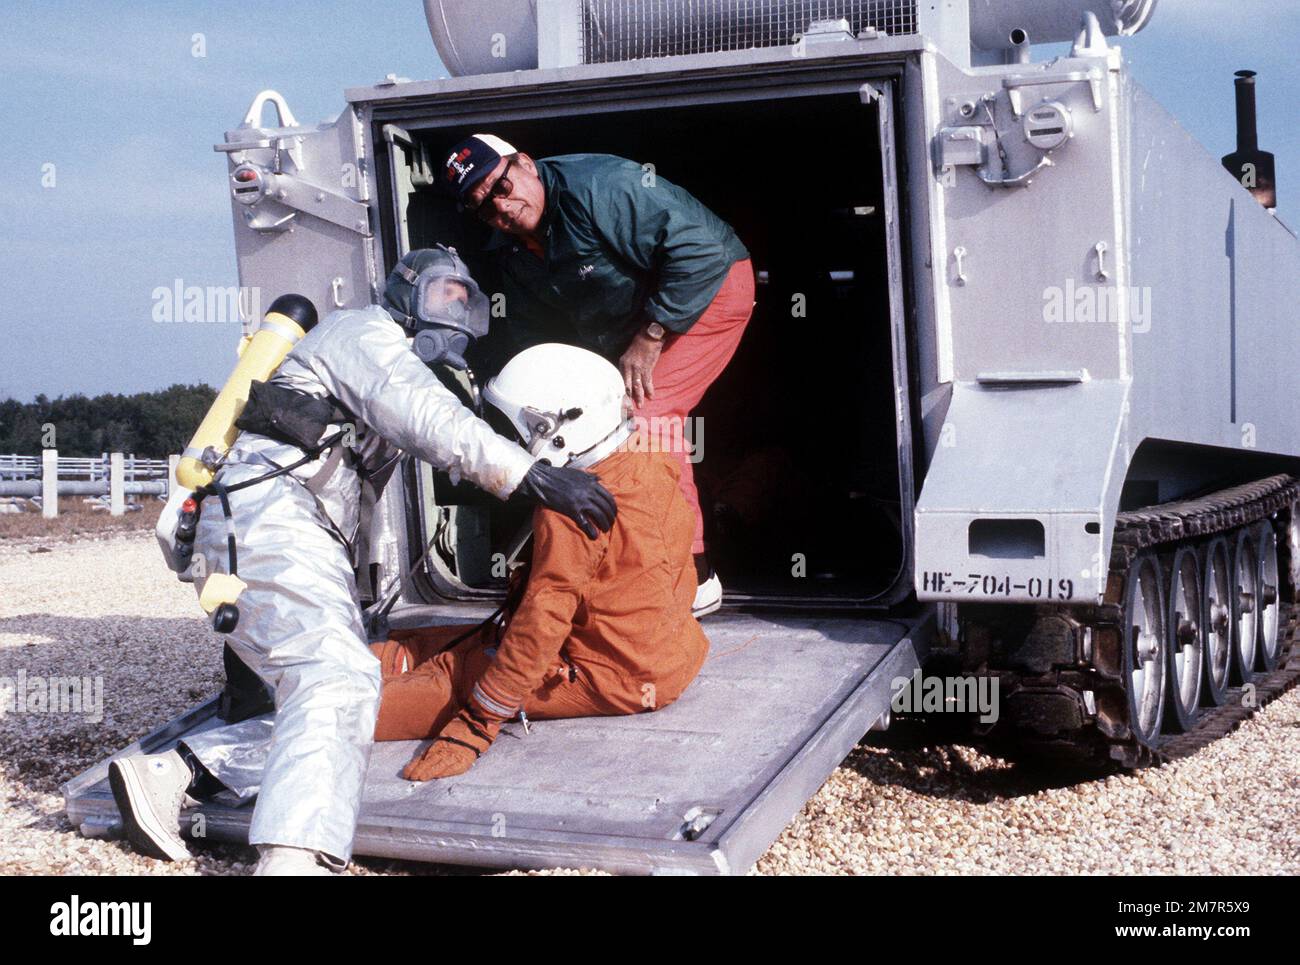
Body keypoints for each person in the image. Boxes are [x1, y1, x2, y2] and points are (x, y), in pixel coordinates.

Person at [108, 247, 616, 875]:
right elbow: (430, 419)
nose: (455, 317)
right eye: (442, 297)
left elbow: (361, 498)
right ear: (403, 293)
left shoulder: (388, 364)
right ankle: (295, 861)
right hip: (265, 515)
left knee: (338, 694)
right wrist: (532, 476)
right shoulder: (362, 334)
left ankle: (172, 771)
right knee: (337, 678)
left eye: (468, 305)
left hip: (280, 525)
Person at [442, 133, 755, 617]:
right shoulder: (512, 248)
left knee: (645, 422)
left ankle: (694, 575)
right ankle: (629, 560)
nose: (500, 208)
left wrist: (652, 336)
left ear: (524, 163)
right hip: (637, 321)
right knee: (593, 424)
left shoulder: (600, 186)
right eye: (484, 207)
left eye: (501, 187)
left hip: (709, 289)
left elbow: (703, 253)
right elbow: (535, 332)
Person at [372, 343, 709, 779]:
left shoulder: (571, 509)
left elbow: (543, 619)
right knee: (447, 643)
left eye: (517, 429)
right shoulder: (652, 458)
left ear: (553, 427)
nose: (513, 442)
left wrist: (478, 723)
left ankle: (306, 705)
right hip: (671, 655)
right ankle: (369, 659)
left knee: (455, 679)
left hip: (612, 677)